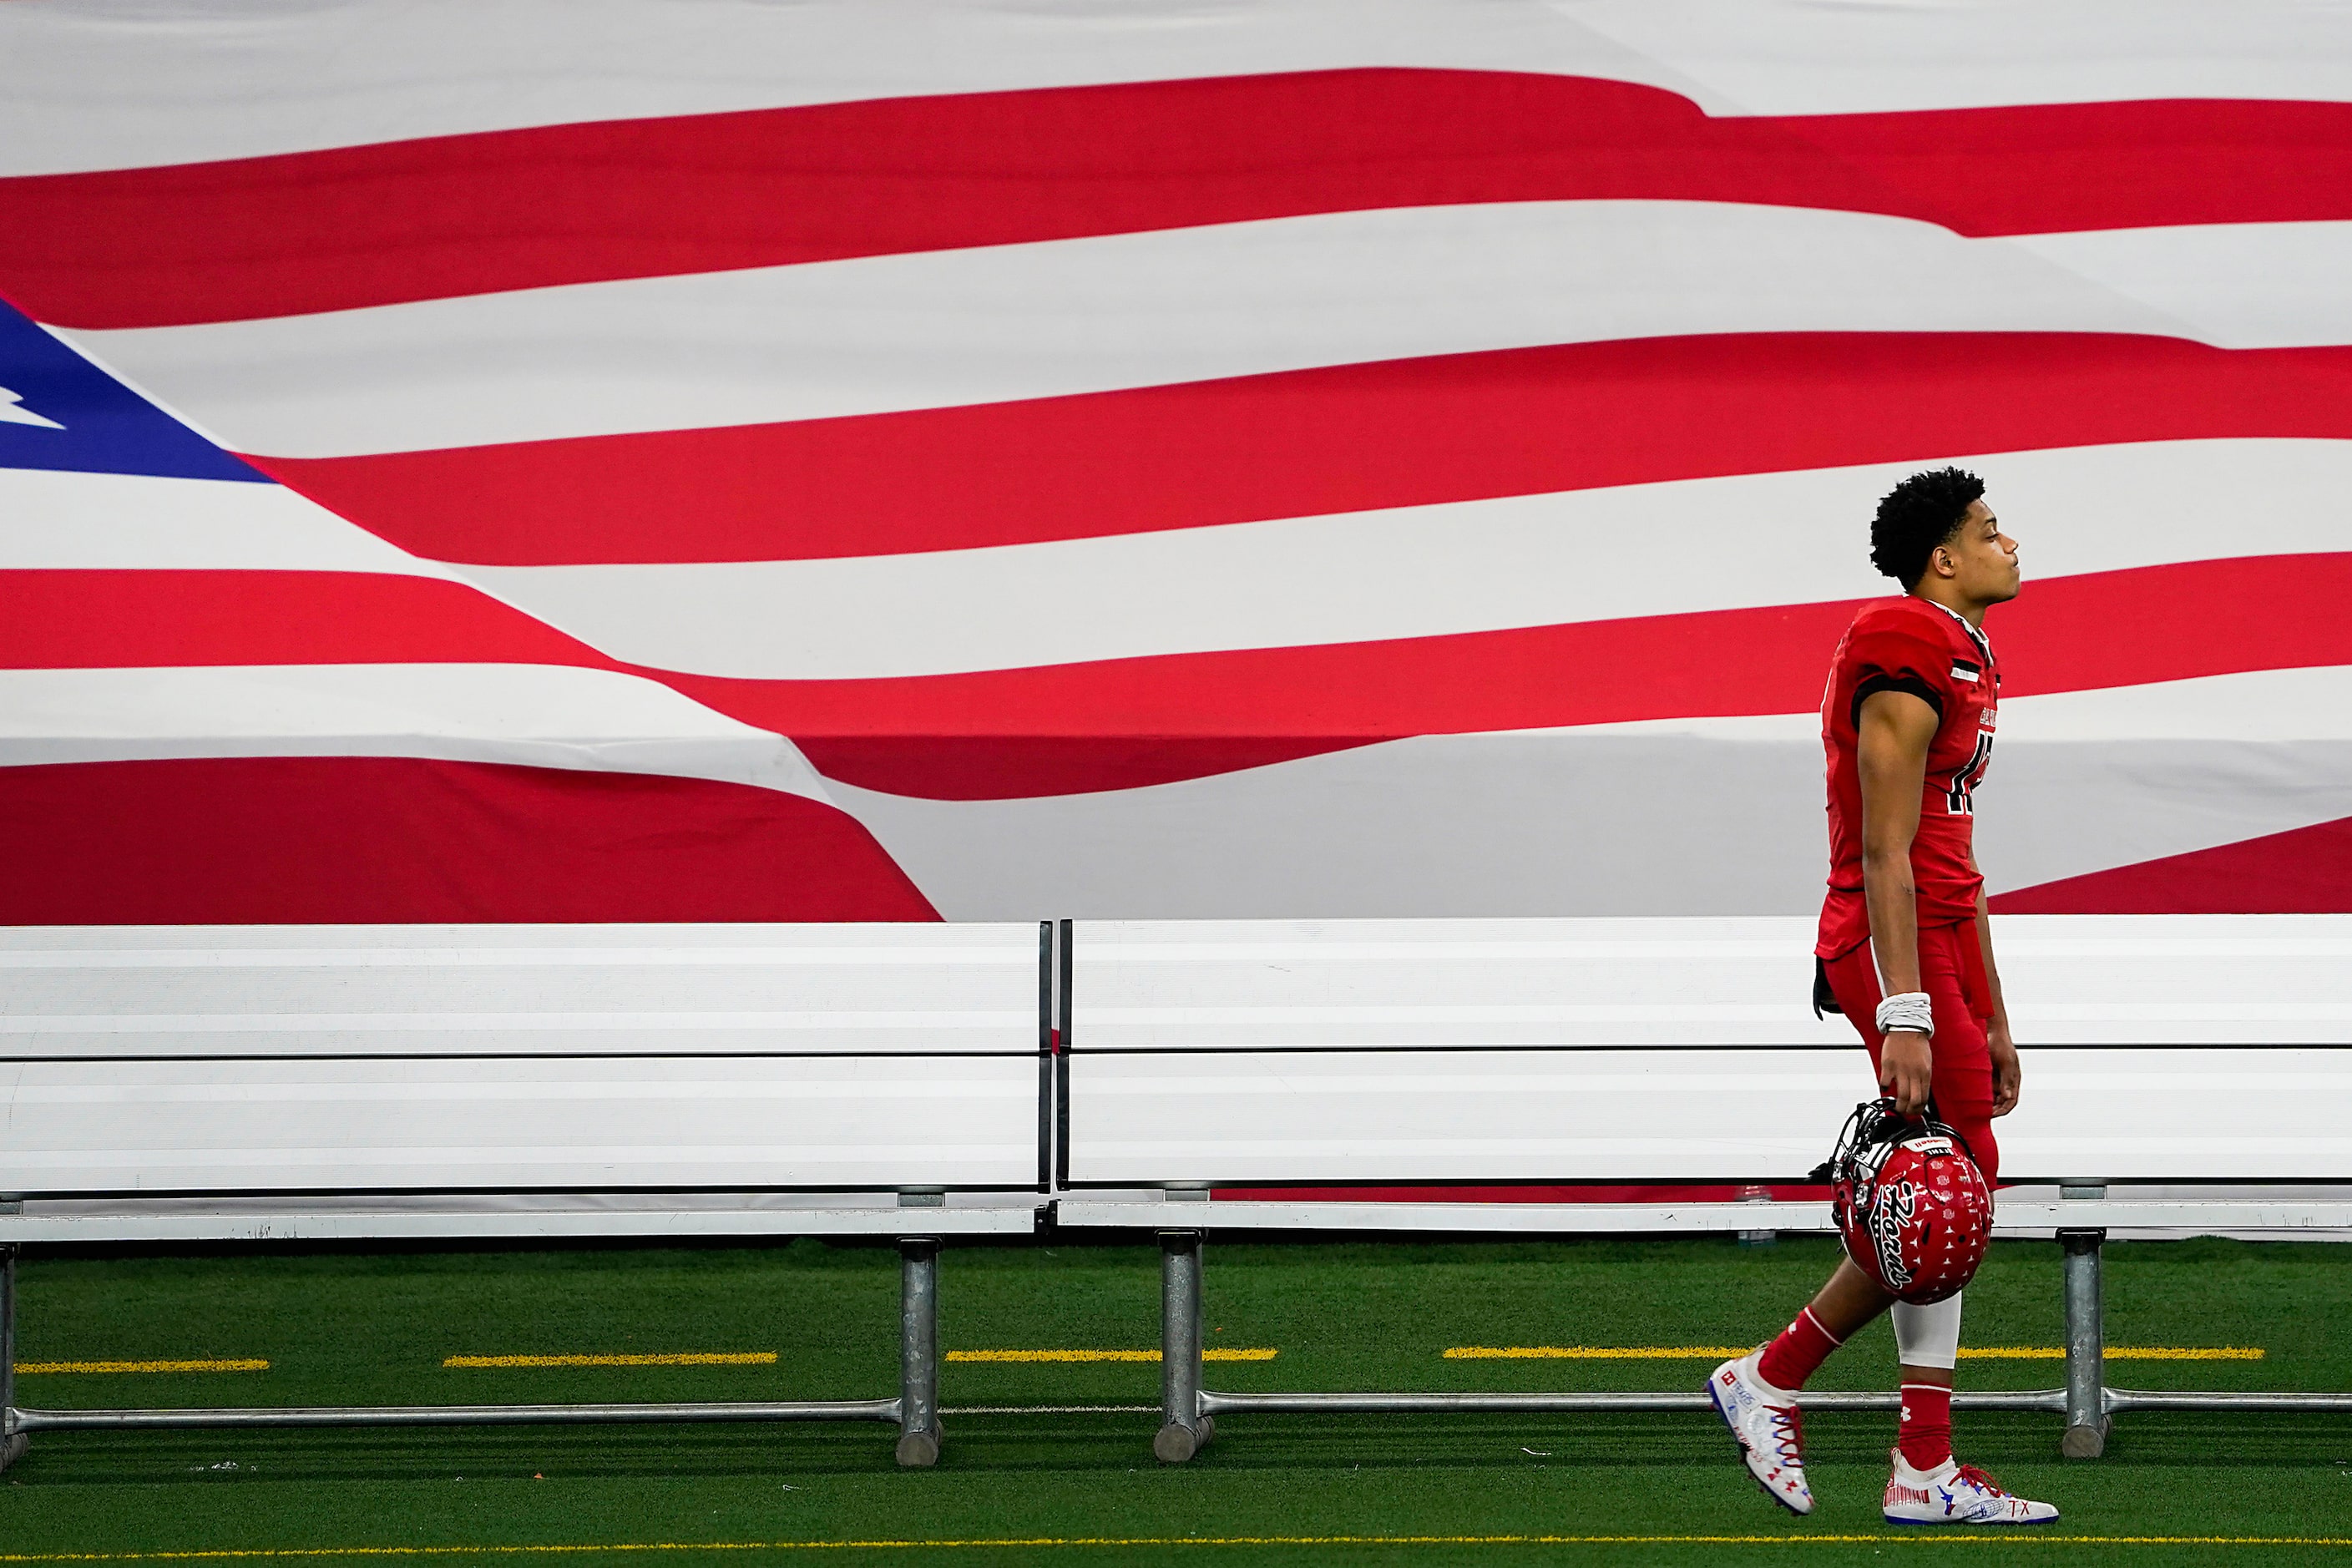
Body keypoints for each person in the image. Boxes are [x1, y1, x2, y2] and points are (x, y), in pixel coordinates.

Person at [1707, 467, 2058, 1526]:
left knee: (1952, 1194)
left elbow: (1958, 852)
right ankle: (1890, 1446)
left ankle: (1806, 1397)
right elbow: (1885, 845)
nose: (2010, 543)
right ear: (1943, 558)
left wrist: (1992, 1010)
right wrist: (1906, 1010)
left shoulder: (1967, 650)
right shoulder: (1903, 642)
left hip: (1942, 932)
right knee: (1948, 1193)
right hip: (1885, 935)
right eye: (1990, 531)